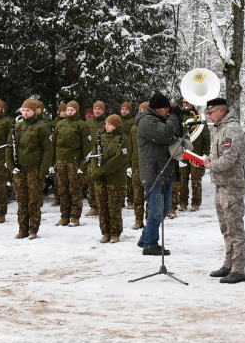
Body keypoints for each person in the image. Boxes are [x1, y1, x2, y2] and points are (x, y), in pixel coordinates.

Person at [203, 97, 245, 284]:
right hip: (221, 185)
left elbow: (229, 160)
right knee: (226, 228)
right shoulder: (221, 128)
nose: (208, 116)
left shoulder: (232, 129)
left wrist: (209, 165)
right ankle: (228, 264)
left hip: (232, 186)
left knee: (235, 228)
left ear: (221, 111)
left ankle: (239, 269)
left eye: (211, 112)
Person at [136, 93, 180, 255]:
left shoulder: (158, 120)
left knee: (165, 208)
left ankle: (145, 237)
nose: (169, 112)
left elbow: (174, 134)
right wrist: (174, 116)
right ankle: (150, 244)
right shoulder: (147, 121)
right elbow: (166, 134)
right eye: (167, 109)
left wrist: (177, 118)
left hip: (163, 169)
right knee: (156, 210)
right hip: (154, 172)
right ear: (158, 109)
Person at [7, 98, 54, 239]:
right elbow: (9, 148)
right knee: (21, 201)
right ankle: (23, 229)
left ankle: (33, 229)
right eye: (23, 110)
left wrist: (42, 172)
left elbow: (48, 151)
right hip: (19, 169)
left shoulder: (41, 127)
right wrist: (11, 166)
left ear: (34, 111)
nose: (25, 113)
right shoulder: (17, 126)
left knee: (33, 201)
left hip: (34, 169)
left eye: (28, 110)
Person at [89, 114, 129, 243]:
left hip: (115, 180)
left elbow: (118, 160)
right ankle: (105, 232)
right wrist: (96, 173)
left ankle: (115, 232)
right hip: (101, 179)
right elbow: (95, 156)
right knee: (102, 207)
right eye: (106, 124)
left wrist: (99, 172)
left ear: (117, 125)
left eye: (110, 124)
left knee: (114, 207)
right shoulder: (101, 138)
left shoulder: (123, 139)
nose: (107, 126)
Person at [53, 100, 92, 226]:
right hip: (61, 162)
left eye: (72, 110)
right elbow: (54, 144)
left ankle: (75, 216)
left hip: (75, 162)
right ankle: (64, 215)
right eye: (67, 109)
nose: (69, 112)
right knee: (63, 189)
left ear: (77, 111)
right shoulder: (60, 124)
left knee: (75, 190)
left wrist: (83, 165)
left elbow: (87, 147)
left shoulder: (82, 125)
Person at [173, 99, 210, 214]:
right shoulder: (178, 117)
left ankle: (196, 203)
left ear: (193, 103)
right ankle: (183, 203)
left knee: (196, 180)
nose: (185, 104)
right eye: (183, 102)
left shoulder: (199, 117)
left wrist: (205, 154)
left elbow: (206, 137)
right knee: (182, 181)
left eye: (187, 102)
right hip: (183, 154)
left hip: (196, 154)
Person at [85, 102, 108, 218]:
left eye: (99, 109)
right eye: (95, 109)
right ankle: (94, 206)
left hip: (103, 158)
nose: (97, 111)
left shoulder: (107, 123)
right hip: (90, 157)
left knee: (103, 182)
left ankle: (103, 204)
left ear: (103, 110)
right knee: (91, 181)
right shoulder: (88, 123)